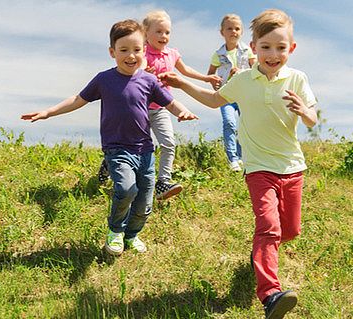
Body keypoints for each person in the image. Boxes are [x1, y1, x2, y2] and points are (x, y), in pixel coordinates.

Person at [160, 9, 318, 319]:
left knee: (290, 230)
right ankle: (270, 294)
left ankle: (262, 252)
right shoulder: (244, 79)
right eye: (266, 47)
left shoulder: (298, 79)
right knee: (269, 227)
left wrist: (304, 111)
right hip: (258, 167)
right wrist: (181, 84)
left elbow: (312, 118)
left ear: (292, 48)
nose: (273, 55)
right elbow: (214, 100)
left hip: (292, 167)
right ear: (254, 47)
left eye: (281, 48)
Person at [21, 19, 198, 256]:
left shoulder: (148, 80)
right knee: (126, 189)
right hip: (117, 149)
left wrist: (182, 111)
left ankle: (132, 236)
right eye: (123, 50)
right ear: (112, 52)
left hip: (145, 150)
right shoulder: (104, 80)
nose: (131, 55)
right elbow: (78, 99)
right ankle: (115, 231)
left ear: (144, 50)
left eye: (136, 50)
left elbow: (170, 102)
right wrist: (48, 112)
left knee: (144, 204)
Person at [99, 10, 221, 200]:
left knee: (168, 143)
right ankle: (110, 162)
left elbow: (185, 70)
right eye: (159, 32)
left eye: (167, 32)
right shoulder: (141, 52)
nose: (164, 36)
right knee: (129, 145)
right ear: (145, 33)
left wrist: (205, 78)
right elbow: (135, 67)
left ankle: (163, 181)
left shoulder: (172, 54)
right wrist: (143, 69)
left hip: (160, 108)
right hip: (138, 109)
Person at [207, 14, 256, 172]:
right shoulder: (218, 54)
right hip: (226, 94)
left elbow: (256, 69)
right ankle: (233, 159)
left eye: (237, 28)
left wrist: (241, 71)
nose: (233, 31)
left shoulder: (247, 50)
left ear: (241, 31)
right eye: (229, 28)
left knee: (244, 124)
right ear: (222, 32)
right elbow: (210, 73)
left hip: (244, 93)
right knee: (229, 123)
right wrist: (216, 84)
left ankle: (242, 157)